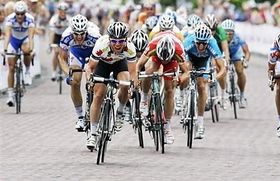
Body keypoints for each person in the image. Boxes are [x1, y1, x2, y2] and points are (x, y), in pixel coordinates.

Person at [86, 22, 137, 150]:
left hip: (119, 64)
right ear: (109, 39)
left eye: (121, 41)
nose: (117, 44)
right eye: (114, 41)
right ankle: (92, 134)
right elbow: (90, 67)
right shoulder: (101, 45)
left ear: (126, 40)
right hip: (102, 64)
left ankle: (120, 111)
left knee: (125, 85)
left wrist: (133, 85)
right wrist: (89, 80)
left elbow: (132, 72)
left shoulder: (130, 47)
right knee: (98, 95)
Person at [136, 31, 189, 144]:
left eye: (166, 59)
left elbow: (186, 72)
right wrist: (137, 77)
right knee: (149, 72)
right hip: (156, 56)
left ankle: (167, 126)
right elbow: (139, 65)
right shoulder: (152, 46)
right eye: (163, 59)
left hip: (173, 60)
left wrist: (178, 80)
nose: (164, 61)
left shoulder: (179, 50)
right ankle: (144, 99)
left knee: (169, 91)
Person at [59, 14, 101, 132]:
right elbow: (61, 58)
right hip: (77, 53)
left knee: (95, 82)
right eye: (76, 34)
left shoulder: (95, 35)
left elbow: (103, 54)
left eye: (82, 33)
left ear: (86, 31)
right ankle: (80, 117)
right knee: (75, 82)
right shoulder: (66, 36)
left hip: (93, 54)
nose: (79, 37)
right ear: (72, 31)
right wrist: (69, 73)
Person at [184, 25, 226, 139]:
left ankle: (200, 124)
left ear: (208, 41)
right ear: (194, 40)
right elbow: (181, 62)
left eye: (204, 43)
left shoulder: (212, 43)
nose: (201, 46)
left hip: (203, 60)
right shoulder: (188, 41)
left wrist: (215, 78)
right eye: (198, 43)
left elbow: (222, 68)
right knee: (186, 72)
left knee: (202, 86)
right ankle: (183, 97)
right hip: (190, 57)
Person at [2, 1, 35, 106]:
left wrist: (32, 49)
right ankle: (10, 95)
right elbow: (7, 36)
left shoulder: (30, 19)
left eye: (22, 13)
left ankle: (28, 71)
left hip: (25, 39)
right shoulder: (10, 19)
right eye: (18, 13)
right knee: (11, 68)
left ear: (25, 13)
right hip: (14, 40)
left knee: (26, 50)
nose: (20, 16)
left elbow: (31, 37)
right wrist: (5, 49)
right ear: (15, 13)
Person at [221, 19, 250, 108]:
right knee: (222, 70)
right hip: (223, 52)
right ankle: (225, 92)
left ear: (234, 32)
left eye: (231, 33)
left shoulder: (238, 37)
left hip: (235, 53)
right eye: (226, 33)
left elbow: (247, 52)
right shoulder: (220, 37)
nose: (229, 35)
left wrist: (246, 61)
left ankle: (242, 95)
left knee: (240, 71)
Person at [204, 14, 230, 109]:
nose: (211, 32)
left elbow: (225, 48)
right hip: (206, 49)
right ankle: (206, 98)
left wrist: (226, 60)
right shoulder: (202, 31)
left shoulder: (221, 31)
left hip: (218, 49)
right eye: (209, 29)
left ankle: (223, 96)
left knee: (221, 68)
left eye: (213, 30)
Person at [48, 2, 70, 81]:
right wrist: (50, 44)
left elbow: (72, 33)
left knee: (65, 54)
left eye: (64, 12)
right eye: (61, 11)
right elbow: (52, 33)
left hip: (65, 37)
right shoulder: (54, 19)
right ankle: (54, 72)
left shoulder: (69, 19)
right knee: (56, 52)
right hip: (56, 36)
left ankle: (65, 71)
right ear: (58, 11)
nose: (63, 13)